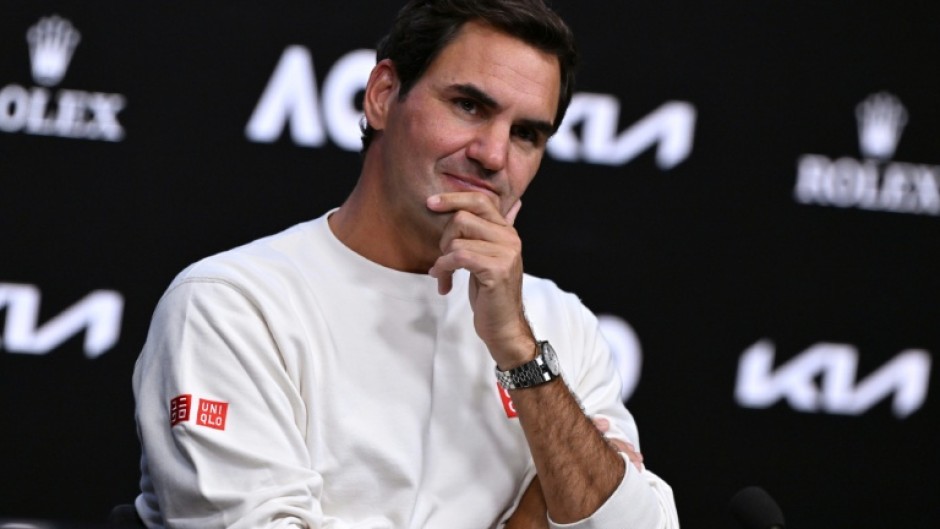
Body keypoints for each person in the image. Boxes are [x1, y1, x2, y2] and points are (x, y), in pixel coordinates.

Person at [132, 1, 680, 528]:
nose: (492, 154)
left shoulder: (559, 326)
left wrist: (518, 349)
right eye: (469, 106)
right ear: (383, 95)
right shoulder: (233, 305)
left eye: (526, 134)